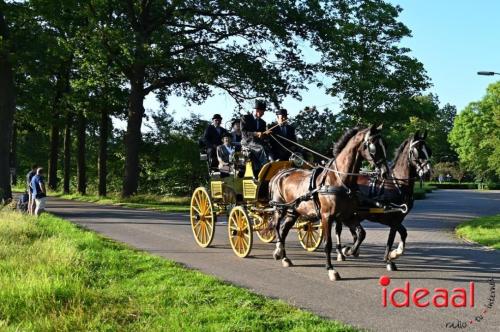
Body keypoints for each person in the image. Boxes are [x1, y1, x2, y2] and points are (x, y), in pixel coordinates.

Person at [241, 100, 269, 173]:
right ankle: (265, 167)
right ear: (257, 110)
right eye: (262, 112)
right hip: (247, 142)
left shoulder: (263, 122)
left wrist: (266, 134)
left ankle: (270, 163)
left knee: (268, 147)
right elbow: (244, 133)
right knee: (262, 148)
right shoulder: (245, 118)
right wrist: (256, 134)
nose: (263, 114)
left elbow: (262, 135)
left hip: (258, 142)